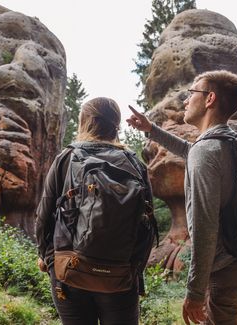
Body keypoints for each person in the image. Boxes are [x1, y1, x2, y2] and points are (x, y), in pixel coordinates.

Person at [127, 70, 237, 325]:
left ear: (209, 99)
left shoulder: (207, 152)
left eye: (191, 93)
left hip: (225, 275)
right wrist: (151, 130)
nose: (185, 100)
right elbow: (190, 151)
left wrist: (194, 292)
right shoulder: (234, 143)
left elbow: (204, 229)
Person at [35, 97, 155, 325]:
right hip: (120, 275)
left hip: (68, 270)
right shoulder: (135, 164)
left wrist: (46, 258)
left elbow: (44, 215)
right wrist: (134, 269)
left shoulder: (67, 158)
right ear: (116, 125)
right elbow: (147, 224)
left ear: (84, 122)